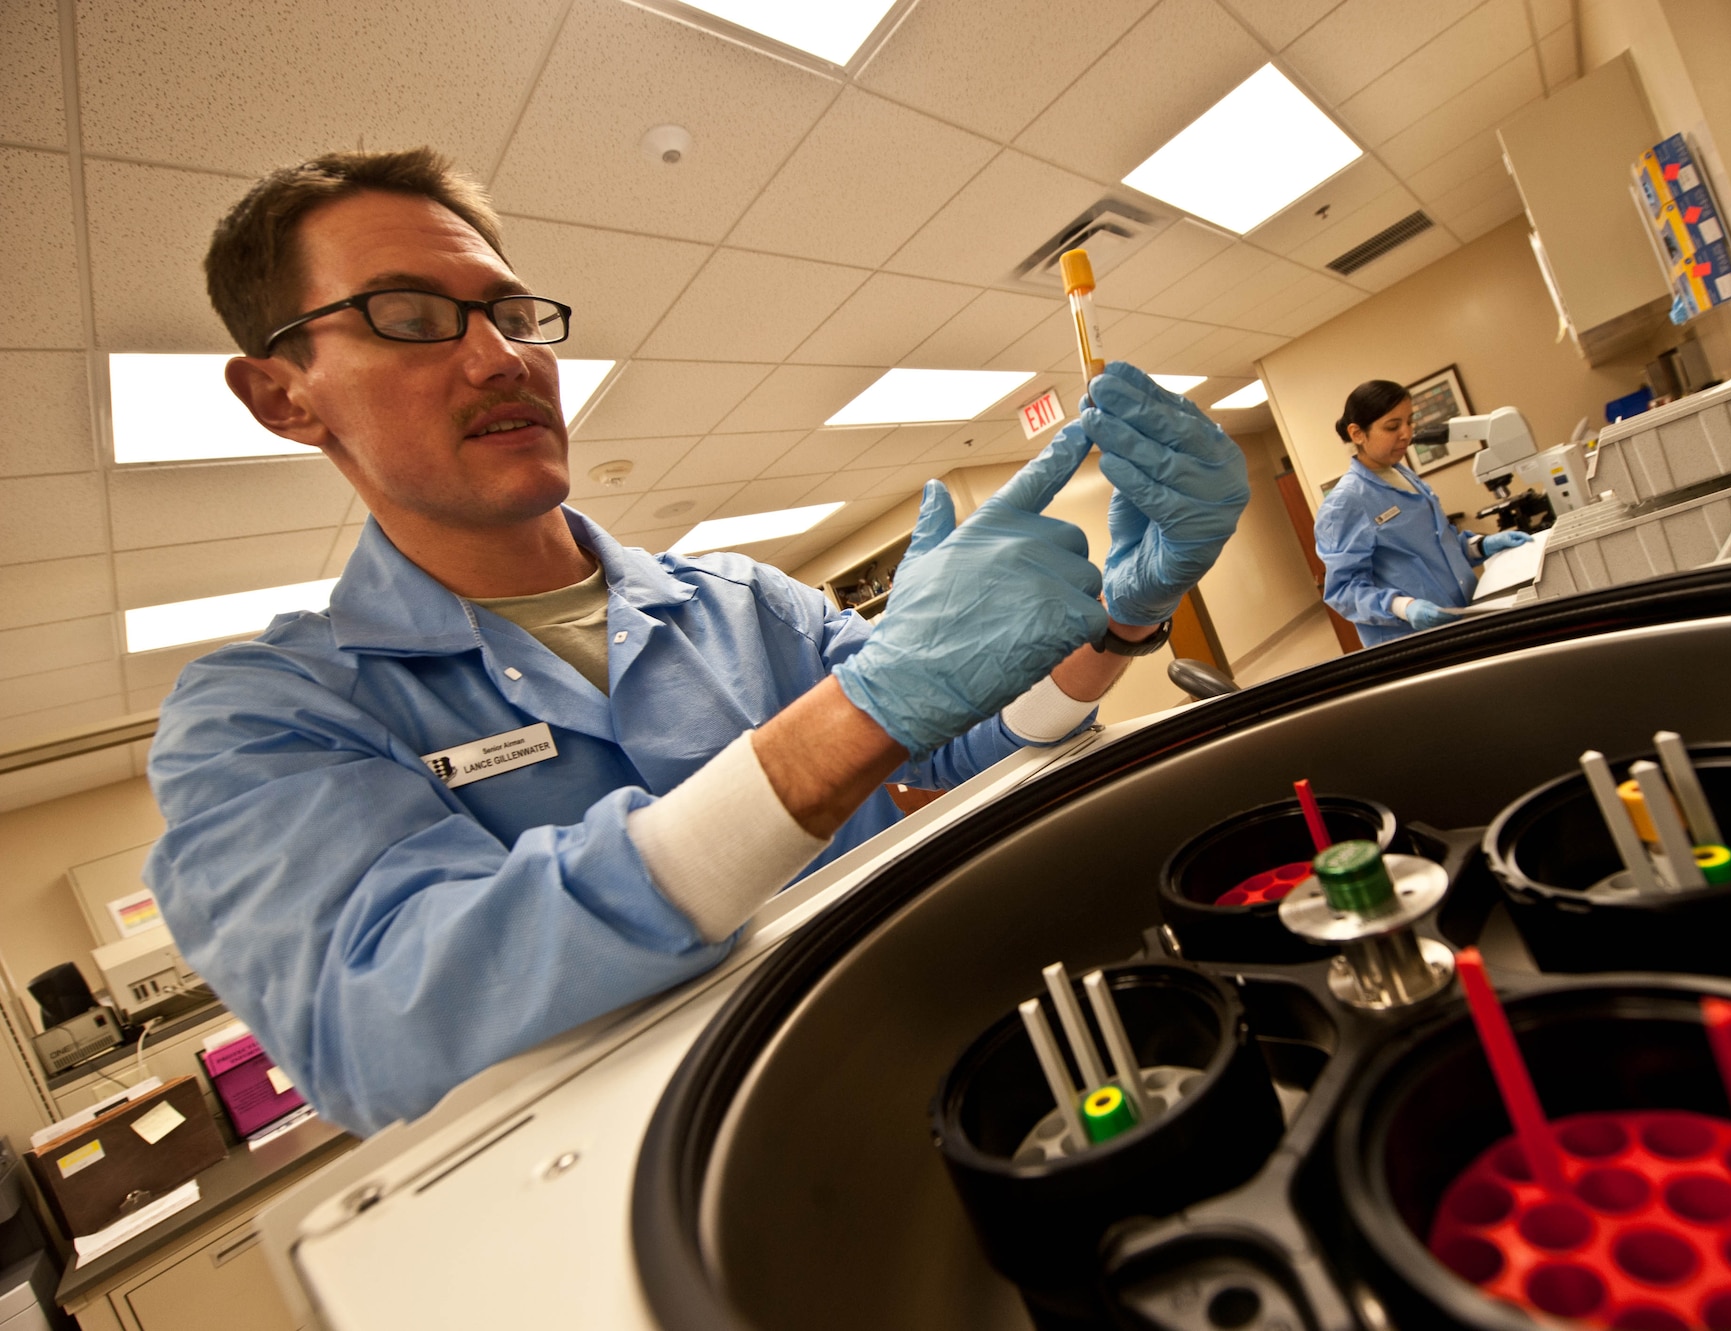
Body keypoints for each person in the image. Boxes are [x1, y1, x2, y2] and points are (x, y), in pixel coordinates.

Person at [143, 148, 1250, 1134]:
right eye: (411, 315)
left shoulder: (741, 602)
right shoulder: (264, 717)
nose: (498, 360)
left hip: (971, 1074)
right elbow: (374, 1020)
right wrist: (853, 718)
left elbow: (948, 762)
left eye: (511, 313)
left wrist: (1120, 618)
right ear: (282, 395)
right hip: (692, 1193)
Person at [1313, 379, 1530, 647]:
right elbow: (1343, 591)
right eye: (1393, 426)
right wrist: (1405, 607)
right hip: (1415, 640)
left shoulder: (1401, 473)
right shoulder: (1346, 502)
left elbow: (1439, 546)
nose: (1406, 433)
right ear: (1357, 433)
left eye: (1409, 421)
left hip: (1463, 617)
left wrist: (1481, 545)